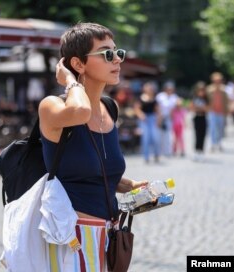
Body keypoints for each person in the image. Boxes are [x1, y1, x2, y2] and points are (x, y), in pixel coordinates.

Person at [38, 22, 147, 271]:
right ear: (78, 64)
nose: (117, 60)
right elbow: (80, 111)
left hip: (109, 236)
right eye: (107, 54)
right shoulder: (53, 106)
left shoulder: (110, 108)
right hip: (72, 238)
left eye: (118, 52)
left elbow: (93, 166)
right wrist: (69, 80)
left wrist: (129, 185)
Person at [134, 81, 161, 163]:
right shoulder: (141, 98)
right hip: (144, 120)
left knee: (155, 137)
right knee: (145, 138)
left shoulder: (154, 99)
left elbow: (158, 111)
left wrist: (158, 121)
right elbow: (137, 109)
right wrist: (141, 115)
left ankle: (156, 154)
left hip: (152, 118)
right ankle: (146, 157)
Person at [156, 80, 179, 157]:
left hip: (169, 118)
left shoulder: (174, 97)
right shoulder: (160, 96)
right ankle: (159, 151)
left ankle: (168, 151)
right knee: (160, 135)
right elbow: (157, 107)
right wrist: (159, 117)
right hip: (160, 117)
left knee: (168, 135)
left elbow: (176, 107)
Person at [206, 72, 229, 152]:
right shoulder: (209, 90)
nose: (217, 82)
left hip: (221, 112)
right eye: (216, 80)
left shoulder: (224, 90)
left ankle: (219, 143)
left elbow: (226, 102)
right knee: (212, 128)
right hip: (212, 112)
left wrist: (226, 112)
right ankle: (213, 143)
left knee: (220, 128)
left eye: (219, 80)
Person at [190, 81, 208, 161]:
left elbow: (207, 108)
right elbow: (192, 107)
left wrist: (200, 108)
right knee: (197, 135)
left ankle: (201, 151)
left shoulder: (206, 99)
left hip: (204, 117)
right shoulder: (194, 98)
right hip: (197, 117)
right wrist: (200, 108)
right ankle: (196, 151)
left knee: (203, 135)